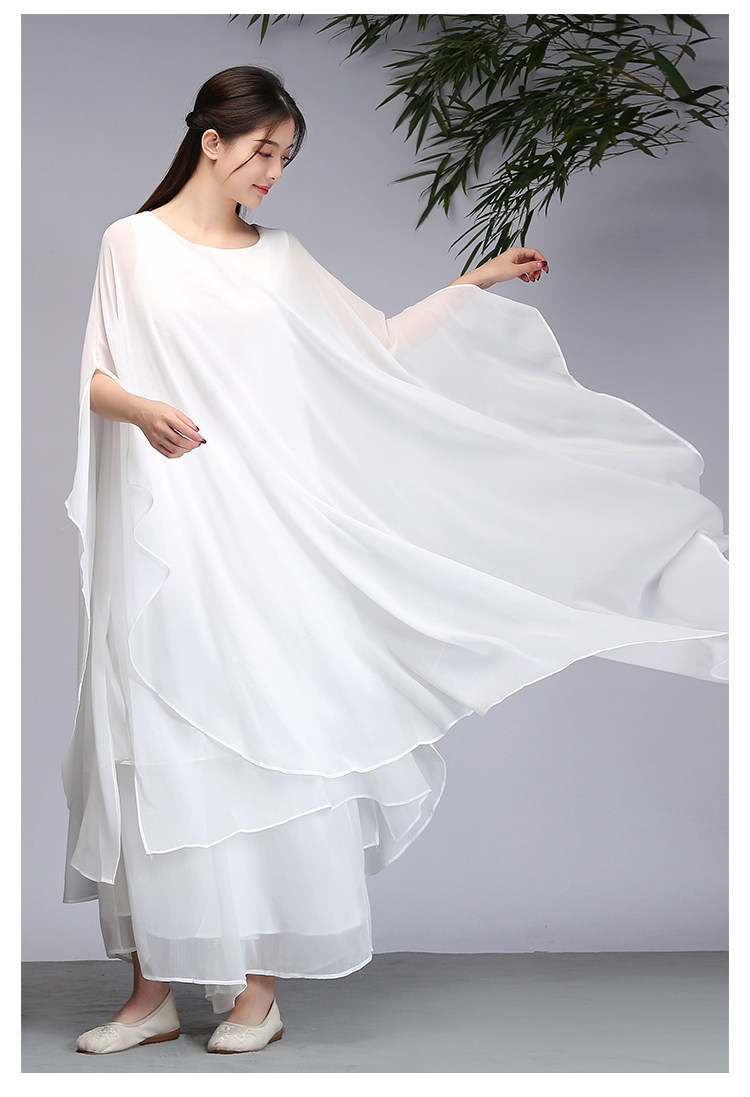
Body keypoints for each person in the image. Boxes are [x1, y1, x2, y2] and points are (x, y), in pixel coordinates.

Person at [63, 64, 728, 1056]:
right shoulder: (131, 243)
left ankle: (255, 993)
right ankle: (152, 990)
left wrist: (472, 284)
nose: (272, 173)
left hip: (267, 530)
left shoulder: (279, 258)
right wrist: (143, 408)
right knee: (154, 736)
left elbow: (372, 345)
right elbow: (95, 375)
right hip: (169, 532)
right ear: (212, 140)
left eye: (286, 159)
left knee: (269, 736)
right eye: (263, 151)